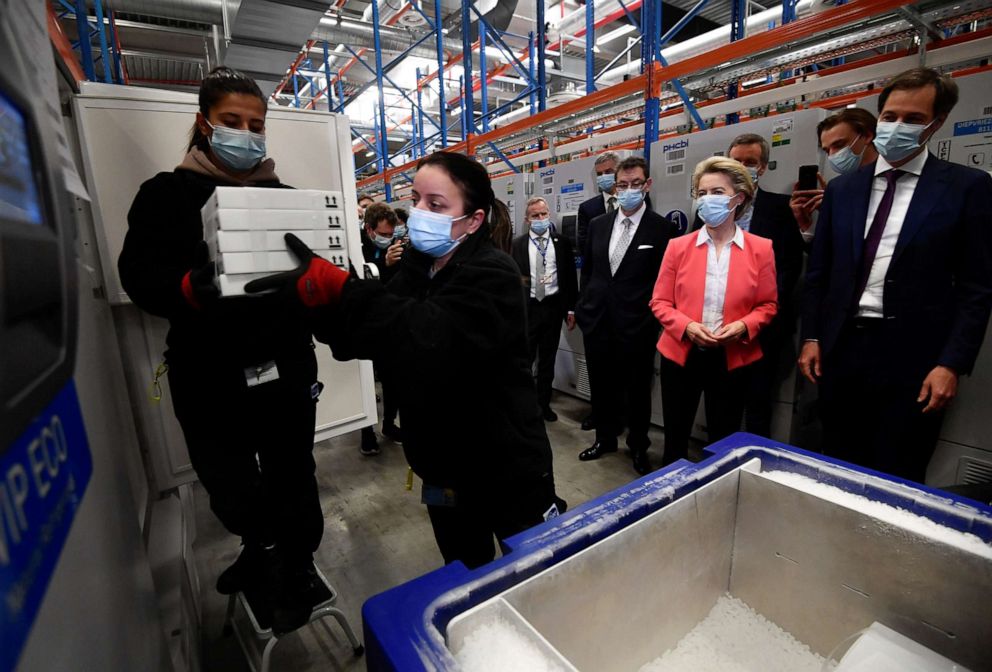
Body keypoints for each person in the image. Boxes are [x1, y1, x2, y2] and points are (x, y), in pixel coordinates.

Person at [245, 151, 566, 569]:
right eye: (415, 199)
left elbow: (426, 333)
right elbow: (365, 337)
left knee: (535, 571)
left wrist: (342, 289)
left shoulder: (494, 273)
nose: (417, 213)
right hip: (441, 469)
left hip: (506, 467)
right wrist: (314, 302)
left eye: (436, 204)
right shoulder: (417, 268)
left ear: (473, 220)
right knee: (465, 568)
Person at [117, 67, 322, 634]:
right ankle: (259, 543)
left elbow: (314, 275)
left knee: (291, 470)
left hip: (282, 364)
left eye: (256, 125)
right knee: (225, 476)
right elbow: (137, 274)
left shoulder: (285, 199)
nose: (246, 134)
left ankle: (298, 563)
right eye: (232, 122)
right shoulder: (164, 194)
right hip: (206, 370)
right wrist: (186, 287)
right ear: (204, 124)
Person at [799, 67, 992, 483]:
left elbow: (977, 287)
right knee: (836, 462)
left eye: (913, 119)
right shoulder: (843, 190)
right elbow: (821, 273)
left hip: (915, 359)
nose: (896, 127)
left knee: (899, 468)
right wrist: (812, 337)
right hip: (842, 349)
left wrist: (951, 364)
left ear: (937, 124)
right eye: (889, 117)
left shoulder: (967, 188)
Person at [651, 157, 778, 466]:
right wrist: (686, 327)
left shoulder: (761, 248)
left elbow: (768, 304)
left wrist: (744, 327)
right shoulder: (678, 247)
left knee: (723, 437)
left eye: (716, 192)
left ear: (739, 197)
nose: (707, 200)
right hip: (682, 353)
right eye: (702, 192)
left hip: (732, 356)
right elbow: (660, 302)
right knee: (676, 437)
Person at [575, 156, 677, 475]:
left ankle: (637, 446)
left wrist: (654, 321)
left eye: (635, 184)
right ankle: (605, 439)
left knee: (636, 392)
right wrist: (584, 307)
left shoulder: (662, 229)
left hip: (637, 325)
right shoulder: (598, 224)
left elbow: (665, 280)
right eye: (623, 185)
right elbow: (590, 272)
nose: (628, 190)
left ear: (647, 185)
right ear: (615, 187)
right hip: (598, 321)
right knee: (602, 386)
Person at [698, 133, 803, 439]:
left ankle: (752, 471)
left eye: (750, 162)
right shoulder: (709, 209)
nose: (742, 167)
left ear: (764, 166)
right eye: (736, 161)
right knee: (719, 408)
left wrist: (752, 319)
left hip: (759, 333)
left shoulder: (781, 209)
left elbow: (788, 268)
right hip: (715, 331)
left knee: (757, 407)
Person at [510, 197, 578, 422]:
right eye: (535, 216)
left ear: (549, 214)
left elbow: (569, 277)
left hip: (552, 308)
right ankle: (523, 405)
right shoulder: (517, 245)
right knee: (525, 360)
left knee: (548, 360)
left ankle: (543, 405)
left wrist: (571, 309)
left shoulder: (562, 242)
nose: (540, 219)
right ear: (527, 219)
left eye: (543, 214)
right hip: (528, 309)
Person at [574, 152, 620, 432]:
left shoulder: (640, 203)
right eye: (600, 172)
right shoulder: (589, 209)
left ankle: (619, 417)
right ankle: (598, 415)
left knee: (622, 368)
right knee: (597, 366)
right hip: (597, 301)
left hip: (625, 303)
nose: (605, 176)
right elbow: (585, 253)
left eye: (609, 171)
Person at [791, 108, 879, 243]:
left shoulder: (892, 183)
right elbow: (828, 255)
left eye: (839, 145)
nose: (832, 155)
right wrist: (808, 225)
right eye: (827, 150)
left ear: (867, 136)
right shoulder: (837, 189)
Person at [358, 203, 404, 454]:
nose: (388, 239)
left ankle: (388, 424)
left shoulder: (397, 251)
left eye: (391, 234)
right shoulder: (357, 249)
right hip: (365, 324)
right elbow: (361, 287)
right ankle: (367, 432)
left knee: (392, 379)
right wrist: (383, 265)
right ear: (369, 229)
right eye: (383, 234)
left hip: (390, 324)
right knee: (365, 380)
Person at [576, 151, 620, 254]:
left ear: (619, 171)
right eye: (599, 174)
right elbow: (584, 244)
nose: (603, 176)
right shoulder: (587, 208)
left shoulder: (632, 201)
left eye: (608, 172)